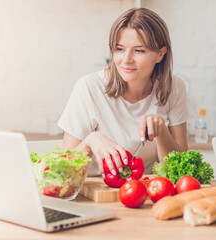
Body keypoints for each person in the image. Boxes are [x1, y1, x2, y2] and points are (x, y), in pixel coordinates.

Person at [58, 8, 189, 178]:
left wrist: (162, 131)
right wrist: (90, 141)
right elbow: (63, 170)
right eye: (120, 49)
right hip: (94, 191)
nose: (126, 59)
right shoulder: (89, 87)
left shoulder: (173, 87)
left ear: (160, 54)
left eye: (139, 50)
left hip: (144, 194)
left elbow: (179, 170)